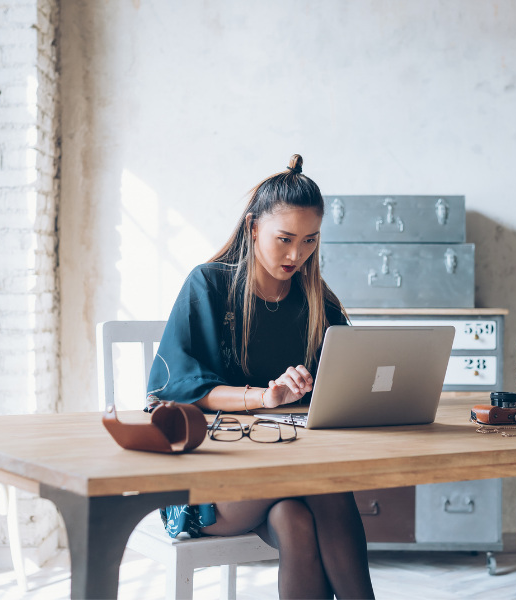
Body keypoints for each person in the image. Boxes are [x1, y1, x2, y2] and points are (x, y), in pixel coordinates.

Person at [146, 154, 375, 599]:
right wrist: (264, 398)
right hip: (210, 483)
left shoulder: (317, 303)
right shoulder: (208, 285)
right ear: (253, 228)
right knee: (323, 481)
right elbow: (175, 391)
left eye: (310, 241)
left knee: (296, 521)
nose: (297, 255)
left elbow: (347, 380)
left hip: (286, 473)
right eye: (284, 239)